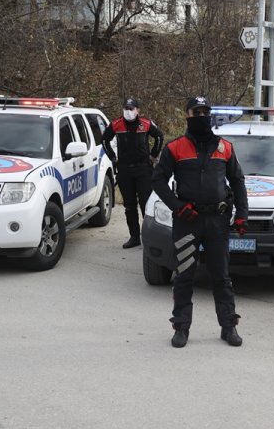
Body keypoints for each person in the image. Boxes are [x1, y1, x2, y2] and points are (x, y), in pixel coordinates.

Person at [151, 96, 249, 348]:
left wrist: (242, 215)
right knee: (184, 275)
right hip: (188, 221)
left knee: (221, 276)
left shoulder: (225, 147)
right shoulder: (175, 148)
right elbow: (158, 180)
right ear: (187, 115)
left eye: (205, 112)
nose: (201, 116)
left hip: (217, 221)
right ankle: (181, 327)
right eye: (196, 112)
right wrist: (177, 206)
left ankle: (228, 326)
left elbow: (237, 181)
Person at [102, 97, 164, 249]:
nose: (128, 111)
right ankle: (134, 237)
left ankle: (149, 237)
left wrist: (153, 155)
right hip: (124, 170)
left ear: (137, 110)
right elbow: (104, 140)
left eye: (131, 109)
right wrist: (112, 158)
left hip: (143, 169)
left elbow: (159, 136)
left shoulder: (146, 124)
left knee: (146, 204)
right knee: (129, 205)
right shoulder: (116, 124)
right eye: (126, 108)